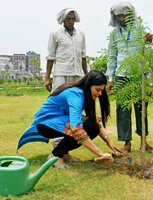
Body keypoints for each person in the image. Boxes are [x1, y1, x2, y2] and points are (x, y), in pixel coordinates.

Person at [18, 70, 122, 169]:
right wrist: (100, 153)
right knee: (85, 127)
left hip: (56, 122)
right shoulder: (76, 94)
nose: (99, 94)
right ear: (88, 85)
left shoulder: (85, 95)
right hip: (44, 124)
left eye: (101, 91)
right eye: (97, 90)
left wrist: (108, 142)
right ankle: (55, 156)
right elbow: (76, 128)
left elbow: (94, 123)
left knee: (92, 127)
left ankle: (64, 153)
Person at [106, 1, 153, 153]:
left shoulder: (142, 26)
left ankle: (144, 141)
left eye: (124, 15)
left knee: (141, 108)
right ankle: (126, 142)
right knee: (122, 111)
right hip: (122, 76)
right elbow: (112, 56)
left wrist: (148, 38)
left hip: (138, 74)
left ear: (130, 15)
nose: (121, 18)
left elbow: (149, 42)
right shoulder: (114, 34)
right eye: (118, 16)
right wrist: (111, 79)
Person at [45, 7, 88, 150]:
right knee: (60, 107)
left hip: (77, 75)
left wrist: (87, 75)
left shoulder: (80, 34)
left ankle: (71, 138)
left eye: (72, 19)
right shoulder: (55, 34)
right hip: (60, 75)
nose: (71, 21)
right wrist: (47, 77)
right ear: (63, 20)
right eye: (68, 19)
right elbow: (50, 57)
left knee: (74, 107)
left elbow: (83, 56)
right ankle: (57, 140)